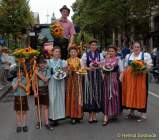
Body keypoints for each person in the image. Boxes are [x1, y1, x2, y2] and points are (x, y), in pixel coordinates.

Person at [122, 41, 152, 122]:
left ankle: (143, 114)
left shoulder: (145, 55)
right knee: (131, 94)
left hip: (141, 78)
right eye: (135, 47)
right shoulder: (128, 56)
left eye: (138, 47)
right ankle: (132, 112)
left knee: (141, 94)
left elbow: (149, 66)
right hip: (130, 79)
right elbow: (126, 67)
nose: (136, 48)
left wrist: (142, 70)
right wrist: (122, 77)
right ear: (132, 48)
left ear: (140, 48)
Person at [81, 39, 104, 123]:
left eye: (95, 45)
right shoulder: (85, 55)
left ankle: (94, 115)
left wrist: (97, 67)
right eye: (92, 45)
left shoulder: (100, 55)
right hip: (89, 77)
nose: (93, 46)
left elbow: (102, 65)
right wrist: (89, 68)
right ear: (89, 46)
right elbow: (82, 66)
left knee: (97, 94)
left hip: (97, 77)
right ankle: (90, 116)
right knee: (90, 94)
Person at [101, 45, 123, 126]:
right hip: (107, 81)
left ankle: (114, 112)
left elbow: (122, 71)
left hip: (114, 81)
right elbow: (102, 70)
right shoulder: (104, 60)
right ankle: (106, 116)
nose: (111, 52)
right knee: (106, 97)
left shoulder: (118, 60)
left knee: (114, 96)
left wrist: (120, 79)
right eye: (109, 51)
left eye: (112, 51)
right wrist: (103, 76)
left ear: (115, 52)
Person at [47, 47, 67, 126]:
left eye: (59, 52)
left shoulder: (63, 62)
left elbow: (66, 72)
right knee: (52, 98)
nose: (57, 53)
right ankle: (52, 117)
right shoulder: (48, 62)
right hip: (52, 81)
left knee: (60, 98)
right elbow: (47, 72)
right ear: (52, 52)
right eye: (56, 51)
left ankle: (59, 116)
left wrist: (63, 74)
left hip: (60, 81)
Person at [33, 58, 54, 130]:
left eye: (43, 63)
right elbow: (33, 82)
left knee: (46, 107)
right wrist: (35, 91)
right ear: (38, 64)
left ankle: (47, 122)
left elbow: (45, 80)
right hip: (38, 89)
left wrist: (38, 73)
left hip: (45, 89)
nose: (42, 65)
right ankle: (39, 122)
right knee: (38, 107)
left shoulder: (47, 70)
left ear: (45, 64)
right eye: (40, 63)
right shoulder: (35, 70)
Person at [66, 46, 83, 124]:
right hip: (70, 81)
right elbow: (65, 73)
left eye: (74, 52)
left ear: (77, 52)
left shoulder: (80, 60)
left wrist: (78, 71)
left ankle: (78, 115)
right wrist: (69, 71)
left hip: (78, 80)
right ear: (69, 53)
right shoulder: (67, 61)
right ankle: (72, 116)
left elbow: (83, 71)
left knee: (78, 97)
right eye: (71, 52)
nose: (73, 53)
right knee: (71, 97)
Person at [12, 68, 29, 133]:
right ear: (16, 73)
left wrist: (21, 85)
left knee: (24, 111)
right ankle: (19, 125)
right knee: (18, 112)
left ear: (22, 73)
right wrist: (17, 82)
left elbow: (27, 89)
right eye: (18, 72)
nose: (19, 74)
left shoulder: (25, 79)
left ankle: (24, 125)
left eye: (21, 72)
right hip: (17, 97)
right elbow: (13, 89)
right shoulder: (14, 79)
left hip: (24, 96)